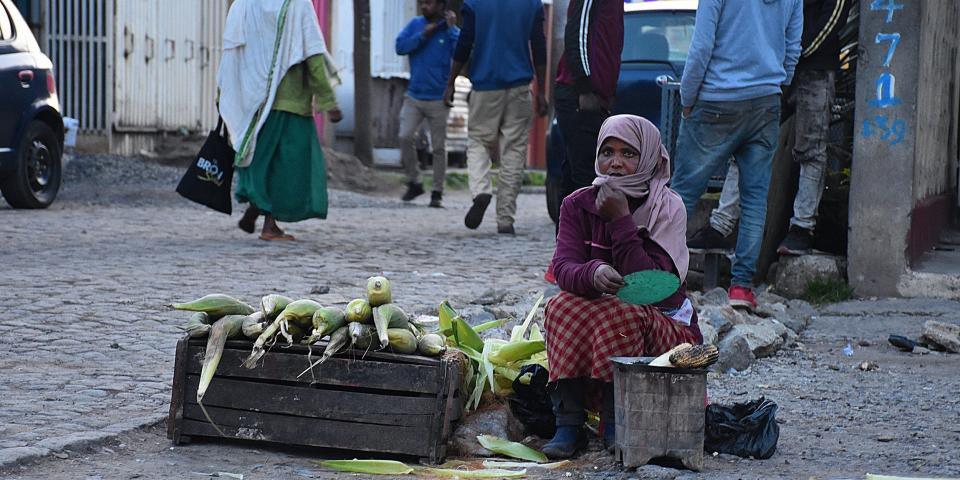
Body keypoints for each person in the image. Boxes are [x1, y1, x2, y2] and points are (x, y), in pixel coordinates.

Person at [542, 115, 703, 459]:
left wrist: (620, 220)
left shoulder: (667, 208)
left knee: (622, 312)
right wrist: (592, 271)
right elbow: (564, 269)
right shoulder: (576, 204)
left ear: (647, 158)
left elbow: (656, 291)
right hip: (605, 316)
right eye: (607, 152)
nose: (615, 163)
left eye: (629, 153)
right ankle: (568, 424)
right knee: (559, 307)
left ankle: (619, 422)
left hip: (666, 329)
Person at [687, 0, 852, 257]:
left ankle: (802, 227)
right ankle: (720, 227)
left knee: (811, 149)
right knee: (745, 144)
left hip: (813, 69)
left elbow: (832, 19)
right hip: (774, 68)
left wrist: (793, 51)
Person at [670, 0, 802, 309]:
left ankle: (663, 278)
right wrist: (777, 86)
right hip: (765, 100)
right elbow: (793, 47)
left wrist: (688, 97)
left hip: (716, 98)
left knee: (682, 193)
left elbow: (701, 46)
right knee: (755, 198)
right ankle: (741, 288)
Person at [218, 0, 342, 241]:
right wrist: (328, 101)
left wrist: (223, 95)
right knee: (286, 168)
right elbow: (313, 54)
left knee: (261, 161)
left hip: (254, 101)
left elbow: (231, 54)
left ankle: (255, 212)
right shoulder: (298, 5)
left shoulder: (244, 5)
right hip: (289, 103)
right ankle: (270, 226)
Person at [443, 0, 549, 235]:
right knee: (514, 150)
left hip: (485, 85)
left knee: (479, 141)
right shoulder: (532, 4)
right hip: (520, 86)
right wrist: (542, 90)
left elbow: (464, 43)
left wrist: (451, 82)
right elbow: (539, 46)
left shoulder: (475, 2)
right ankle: (505, 219)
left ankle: (481, 190)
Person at [554, 0, 624, 204]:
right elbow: (577, 31)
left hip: (595, 96)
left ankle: (569, 234)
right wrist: (585, 87)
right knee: (584, 178)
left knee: (581, 174)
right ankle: (576, 235)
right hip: (580, 95)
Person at [395, 0, 460, 208]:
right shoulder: (415, 24)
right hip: (414, 95)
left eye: (430, 3)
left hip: (439, 98)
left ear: (442, 6)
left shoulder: (450, 31)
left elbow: (461, 52)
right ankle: (415, 181)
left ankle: (437, 191)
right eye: (423, 2)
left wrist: (450, 30)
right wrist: (423, 35)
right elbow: (400, 46)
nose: (424, 6)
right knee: (404, 136)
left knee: (439, 147)